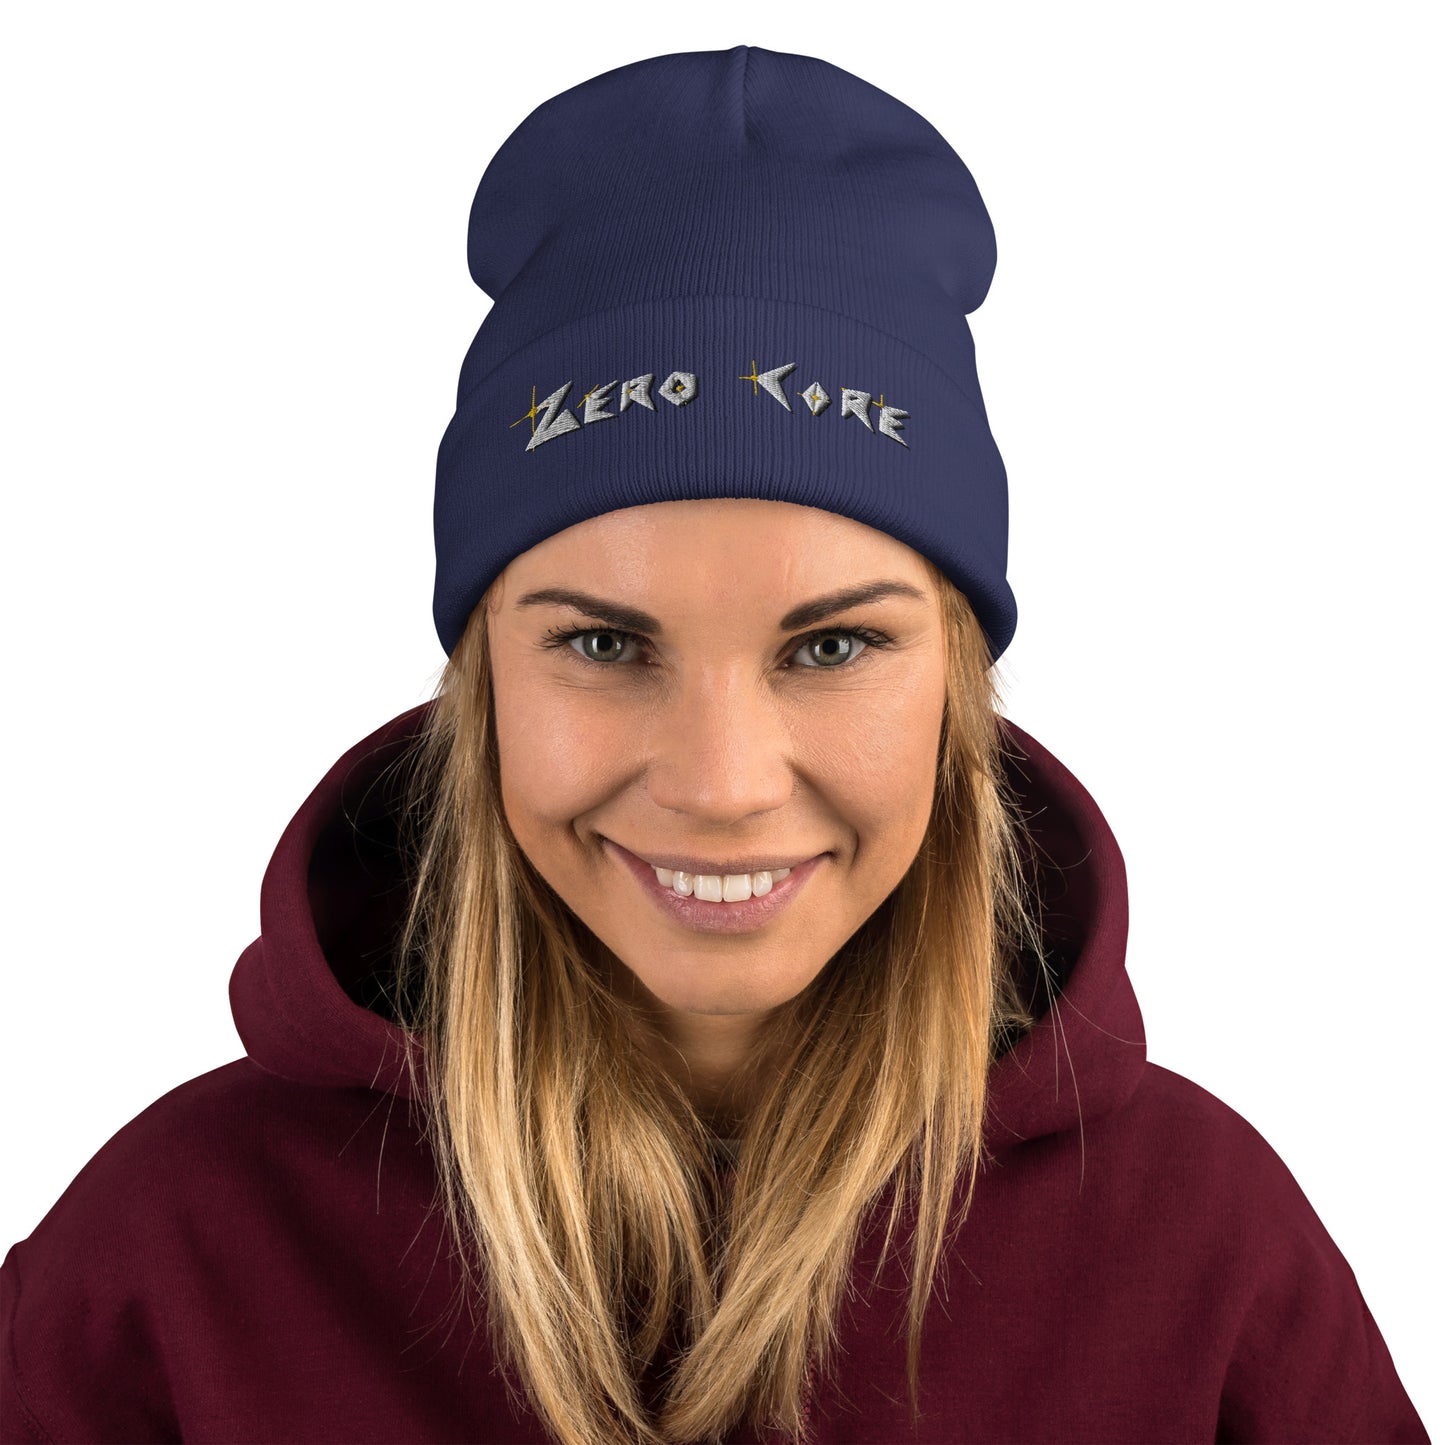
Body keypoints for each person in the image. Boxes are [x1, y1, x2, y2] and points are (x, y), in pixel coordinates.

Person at [0, 43, 1428, 1445]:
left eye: (832, 646)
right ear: (482, 683)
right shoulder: (170, 1252)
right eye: (604, 645)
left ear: (957, 686)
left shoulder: (1200, 1246)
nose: (722, 785)